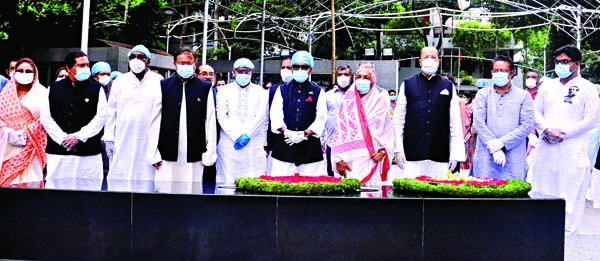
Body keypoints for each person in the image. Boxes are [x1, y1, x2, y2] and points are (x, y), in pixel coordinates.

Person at [527, 45, 600, 233]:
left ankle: (567, 231)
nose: (560, 65)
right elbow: (536, 111)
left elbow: (591, 119)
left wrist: (563, 133)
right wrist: (546, 129)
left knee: (570, 189)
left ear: (576, 64)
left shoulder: (588, 89)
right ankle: (540, 227)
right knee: (542, 185)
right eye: (558, 62)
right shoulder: (548, 86)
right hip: (546, 146)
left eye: (564, 62)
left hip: (572, 149)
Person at [147, 48, 216, 190]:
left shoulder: (205, 88)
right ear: (175, 64)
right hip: (167, 149)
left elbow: (210, 122)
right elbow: (154, 121)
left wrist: (209, 152)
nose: (185, 66)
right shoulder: (163, 85)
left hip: (195, 151)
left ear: (195, 64)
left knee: (192, 190)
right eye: (181, 63)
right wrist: (153, 153)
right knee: (166, 190)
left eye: (188, 63)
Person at [393, 47, 465, 177]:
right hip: (413, 149)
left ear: (439, 61)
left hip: (440, 150)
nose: (430, 60)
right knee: (412, 191)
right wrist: (398, 149)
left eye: (433, 57)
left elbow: (455, 123)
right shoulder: (408, 84)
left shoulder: (448, 86)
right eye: (426, 57)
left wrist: (455, 153)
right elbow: (398, 121)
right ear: (420, 61)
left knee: (437, 192)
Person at [41, 51, 107, 180]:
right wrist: (63, 139)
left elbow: (101, 117)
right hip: (58, 151)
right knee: (57, 192)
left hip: (88, 153)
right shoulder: (54, 88)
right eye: (81, 65)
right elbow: (46, 117)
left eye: (87, 65)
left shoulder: (96, 89)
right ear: (69, 68)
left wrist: (79, 136)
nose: (86, 68)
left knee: (87, 192)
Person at [104, 44, 163, 182]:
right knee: (121, 173)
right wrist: (108, 136)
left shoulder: (158, 81)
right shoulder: (120, 81)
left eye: (140, 57)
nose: (136, 60)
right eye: (133, 57)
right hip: (123, 136)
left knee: (147, 176)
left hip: (149, 138)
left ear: (148, 60)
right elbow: (111, 111)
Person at [471, 55, 534, 180]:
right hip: (486, 156)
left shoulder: (523, 96)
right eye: (495, 71)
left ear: (511, 73)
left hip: (513, 157)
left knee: (513, 193)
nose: (498, 74)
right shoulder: (482, 94)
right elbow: (479, 122)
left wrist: (502, 143)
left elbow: (526, 126)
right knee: (483, 192)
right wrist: (494, 147)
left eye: (503, 71)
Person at [332, 67, 394, 187]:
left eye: (366, 77)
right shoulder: (347, 102)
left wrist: (383, 151)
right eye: (358, 77)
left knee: (372, 199)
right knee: (351, 200)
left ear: (373, 81)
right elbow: (339, 132)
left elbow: (387, 131)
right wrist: (337, 159)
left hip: (373, 158)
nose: (362, 80)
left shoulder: (380, 101)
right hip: (349, 161)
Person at [269, 51, 327, 176]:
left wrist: (305, 133)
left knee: (311, 189)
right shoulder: (282, 89)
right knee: (280, 187)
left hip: (310, 150)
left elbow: (321, 118)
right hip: (284, 148)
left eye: (304, 67)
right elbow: (275, 115)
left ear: (310, 69)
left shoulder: (318, 91)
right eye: (296, 67)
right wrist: (287, 132)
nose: (299, 70)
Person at [216, 58, 269, 184]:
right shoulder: (223, 90)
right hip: (229, 142)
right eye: (240, 71)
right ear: (234, 72)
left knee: (253, 179)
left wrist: (247, 134)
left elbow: (261, 117)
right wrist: (236, 136)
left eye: (247, 72)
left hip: (253, 142)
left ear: (252, 73)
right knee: (228, 180)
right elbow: (222, 116)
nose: (244, 74)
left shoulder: (261, 92)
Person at [0, 58, 48, 186]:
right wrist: (9, 133)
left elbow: (46, 119)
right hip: (8, 148)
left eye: (28, 71)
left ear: (35, 74)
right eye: (20, 70)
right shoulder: (5, 94)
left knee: (30, 187)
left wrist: (26, 132)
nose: (24, 73)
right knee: (8, 186)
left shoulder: (43, 94)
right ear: (14, 73)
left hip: (32, 147)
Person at [265, 55, 293, 175]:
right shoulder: (273, 90)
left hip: (297, 140)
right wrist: (266, 144)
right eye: (283, 67)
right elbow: (267, 118)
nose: (286, 70)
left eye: (289, 67)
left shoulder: (309, 90)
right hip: (276, 143)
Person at [324, 65, 353, 176]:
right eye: (340, 75)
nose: (343, 77)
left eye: (346, 74)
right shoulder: (328, 96)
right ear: (336, 77)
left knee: (351, 176)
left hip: (351, 144)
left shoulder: (357, 95)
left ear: (351, 77)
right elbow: (323, 117)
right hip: (332, 143)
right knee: (332, 178)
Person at [196, 64, 218, 182]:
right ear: (196, 75)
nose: (208, 77)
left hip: (215, 143)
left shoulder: (218, 94)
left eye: (211, 74)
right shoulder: (194, 93)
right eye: (204, 74)